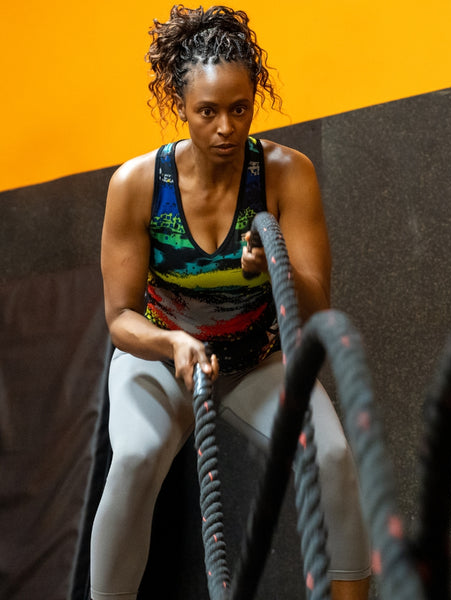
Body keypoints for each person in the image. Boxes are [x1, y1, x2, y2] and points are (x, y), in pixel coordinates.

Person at [90, 5, 371, 599]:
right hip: (161, 360)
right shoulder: (138, 185)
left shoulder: (285, 174)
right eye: (207, 112)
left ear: (254, 99)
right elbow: (118, 319)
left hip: (255, 358)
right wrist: (173, 343)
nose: (225, 127)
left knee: (334, 459)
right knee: (136, 457)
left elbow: (317, 311)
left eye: (239, 108)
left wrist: (276, 270)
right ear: (180, 106)